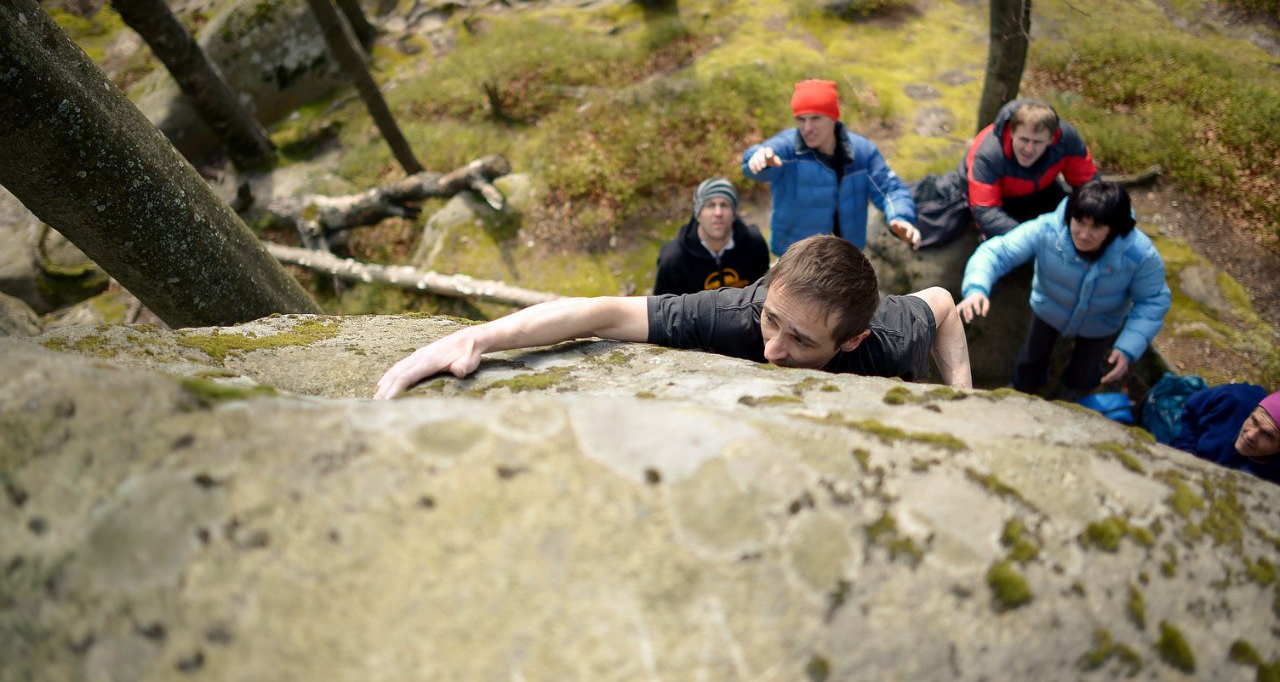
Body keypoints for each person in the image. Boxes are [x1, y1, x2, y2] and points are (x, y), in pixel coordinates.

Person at [375, 234, 972, 399]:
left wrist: (962, 398)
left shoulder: (891, 339)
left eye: (801, 341)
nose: (772, 350)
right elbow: (603, 314)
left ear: (852, 341)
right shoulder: (739, 313)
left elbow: (944, 304)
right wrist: (477, 336)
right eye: (773, 321)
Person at [956, 181, 1170, 399]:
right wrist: (977, 287)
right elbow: (998, 252)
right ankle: (1019, 394)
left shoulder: (1139, 254)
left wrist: (1128, 347)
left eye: (1096, 227)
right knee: (1032, 357)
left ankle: (1073, 401)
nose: (1084, 234)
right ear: (1070, 214)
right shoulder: (1047, 230)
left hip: (1101, 323)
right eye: (1079, 222)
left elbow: (1153, 300)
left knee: (1085, 369)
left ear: (1114, 228)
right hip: (1048, 309)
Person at [742, 79, 919, 256]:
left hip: (846, 257)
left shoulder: (863, 153)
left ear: (834, 117)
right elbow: (755, 163)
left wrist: (900, 217)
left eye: (815, 118)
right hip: (795, 258)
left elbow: (891, 190)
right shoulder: (788, 148)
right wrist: (757, 158)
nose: (807, 128)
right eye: (801, 119)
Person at [963, 98, 1099, 239]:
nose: (1028, 149)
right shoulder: (988, 155)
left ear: (1051, 139)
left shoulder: (1067, 140)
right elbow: (986, 212)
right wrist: (1032, 242)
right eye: (1024, 140)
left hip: (1041, 190)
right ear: (1011, 132)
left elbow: (1088, 185)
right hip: (997, 200)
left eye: (1037, 142)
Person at [654, 177, 770, 295]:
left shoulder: (754, 244)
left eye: (724, 205)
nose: (718, 213)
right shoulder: (673, 260)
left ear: (734, 214)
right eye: (710, 205)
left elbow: (763, 296)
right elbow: (662, 310)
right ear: (698, 215)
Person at [1172, 386, 1280, 481]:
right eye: (1254, 420)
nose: (1251, 435)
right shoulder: (1232, 400)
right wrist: (1186, 453)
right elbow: (1191, 412)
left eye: (1268, 434)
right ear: (1252, 412)